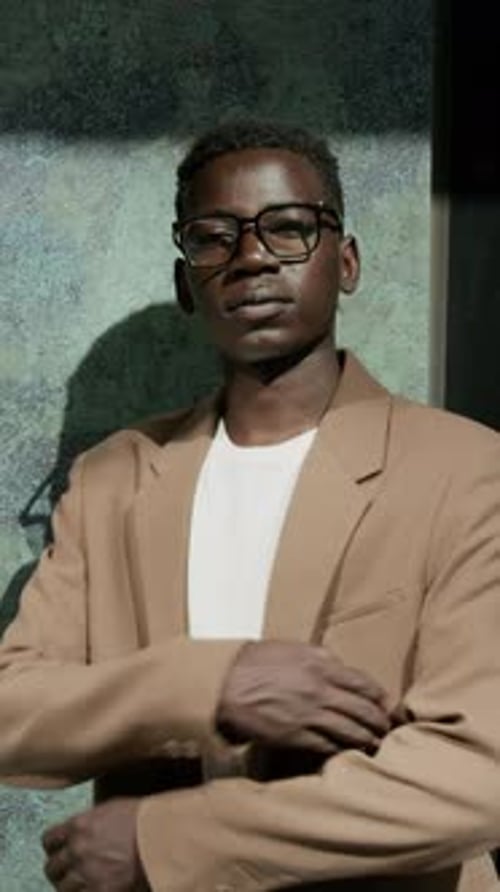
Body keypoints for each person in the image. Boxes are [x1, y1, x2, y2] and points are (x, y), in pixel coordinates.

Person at [0, 121, 499, 892]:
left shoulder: (468, 470)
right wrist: (212, 686)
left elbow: (472, 781)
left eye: (290, 228)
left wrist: (167, 844)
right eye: (213, 238)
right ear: (184, 282)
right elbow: (12, 716)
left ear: (349, 261)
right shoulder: (113, 479)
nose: (252, 257)